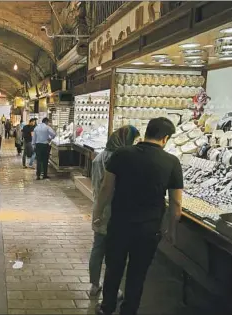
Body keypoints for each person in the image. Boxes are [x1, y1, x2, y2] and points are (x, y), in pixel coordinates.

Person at [94, 117, 183, 315]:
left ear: (147, 131)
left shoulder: (121, 154)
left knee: (114, 267)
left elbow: (106, 187)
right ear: (165, 138)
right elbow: (176, 204)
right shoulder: (172, 162)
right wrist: (172, 229)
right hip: (148, 229)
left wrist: (98, 213)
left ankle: (107, 307)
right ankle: (129, 310)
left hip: (119, 224)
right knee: (137, 273)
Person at [89, 126, 141, 298]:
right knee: (115, 252)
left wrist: (97, 211)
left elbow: (96, 186)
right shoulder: (123, 160)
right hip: (117, 211)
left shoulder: (98, 158)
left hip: (99, 208)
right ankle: (112, 288)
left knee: (97, 249)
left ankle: (94, 285)